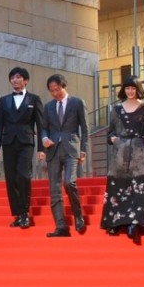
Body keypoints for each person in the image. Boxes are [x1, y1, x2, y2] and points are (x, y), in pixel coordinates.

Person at [100, 77, 144, 243]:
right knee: (118, 187)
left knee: (138, 186)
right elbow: (110, 133)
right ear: (124, 90)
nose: (130, 91)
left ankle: (134, 223)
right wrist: (113, 139)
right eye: (127, 88)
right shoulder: (115, 110)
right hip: (120, 153)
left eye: (133, 88)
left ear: (138, 89)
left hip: (139, 153)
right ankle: (116, 221)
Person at [0, 66, 46, 229]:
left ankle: (25, 213)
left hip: (26, 142)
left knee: (23, 176)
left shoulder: (34, 99)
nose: (15, 80)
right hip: (8, 143)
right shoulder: (4, 100)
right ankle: (18, 214)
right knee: (11, 179)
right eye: (12, 78)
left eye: (18, 77)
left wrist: (41, 148)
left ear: (26, 80)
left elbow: (40, 123)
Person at [38, 73, 88, 237]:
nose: (55, 93)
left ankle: (78, 215)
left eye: (57, 89)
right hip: (52, 150)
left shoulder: (77, 102)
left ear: (64, 86)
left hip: (72, 148)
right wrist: (44, 138)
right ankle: (61, 226)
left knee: (69, 182)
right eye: (52, 91)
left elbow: (85, 128)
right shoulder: (48, 106)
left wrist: (84, 149)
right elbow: (44, 127)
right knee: (54, 190)